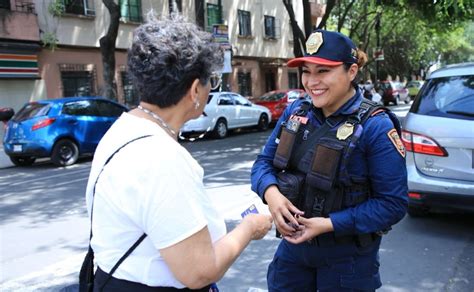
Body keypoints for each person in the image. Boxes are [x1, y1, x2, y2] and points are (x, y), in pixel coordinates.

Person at [85, 12, 273, 291]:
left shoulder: (124, 128)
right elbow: (199, 271)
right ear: (195, 90)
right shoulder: (161, 158)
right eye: (211, 81)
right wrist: (249, 229)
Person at [251, 29, 408, 291]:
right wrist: (272, 195)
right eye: (307, 71)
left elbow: (392, 204)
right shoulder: (296, 111)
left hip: (347, 262)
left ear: (352, 72)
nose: (312, 82)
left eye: (323, 71)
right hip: (293, 254)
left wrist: (329, 224)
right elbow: (263, 163)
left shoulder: (375, 126)